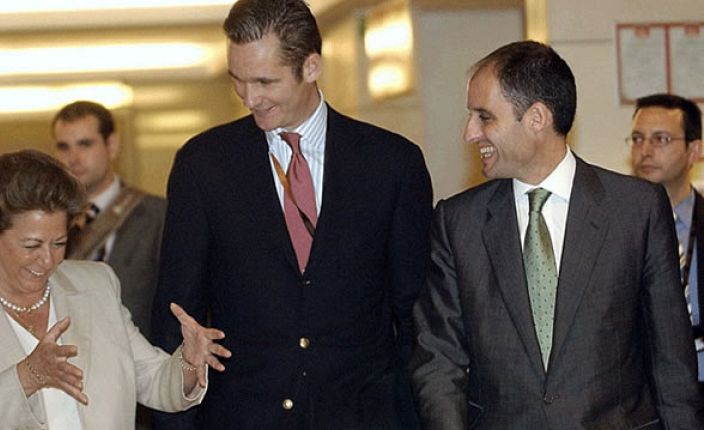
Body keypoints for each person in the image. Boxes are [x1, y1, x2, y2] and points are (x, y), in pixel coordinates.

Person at [151, 0, 432, 428]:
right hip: (244, 415)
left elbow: (416, 316)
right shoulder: (204, 166)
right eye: (238, 82)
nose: (250, 98)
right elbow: (176, 314)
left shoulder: (391, 164)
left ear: (312, 66)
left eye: (265, 81)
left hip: (363, 415)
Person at [410, 41, 704, 428]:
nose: (470, 132)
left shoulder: (635, 209)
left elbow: (672, 360)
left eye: (484, 117)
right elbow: (438, 358)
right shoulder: (458, 221)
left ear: (536, 118)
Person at [0, 150, 231, 429]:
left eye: (59, 243)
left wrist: (188, 362)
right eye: (31, 245)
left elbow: (154, 381)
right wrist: (27, 375)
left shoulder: (95, 284)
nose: (47, 260)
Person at [52, 101, 166, 337]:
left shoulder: (157, 216)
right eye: (64, 147)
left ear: (111, 145)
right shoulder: (48, 222)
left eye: (85, 144)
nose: (73, 158)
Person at [629, 93, 704, 393]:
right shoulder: (614, 228)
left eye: (660, 139)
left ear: (694, 150)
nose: (644, 151)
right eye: (636, 139)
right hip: (640, 392)